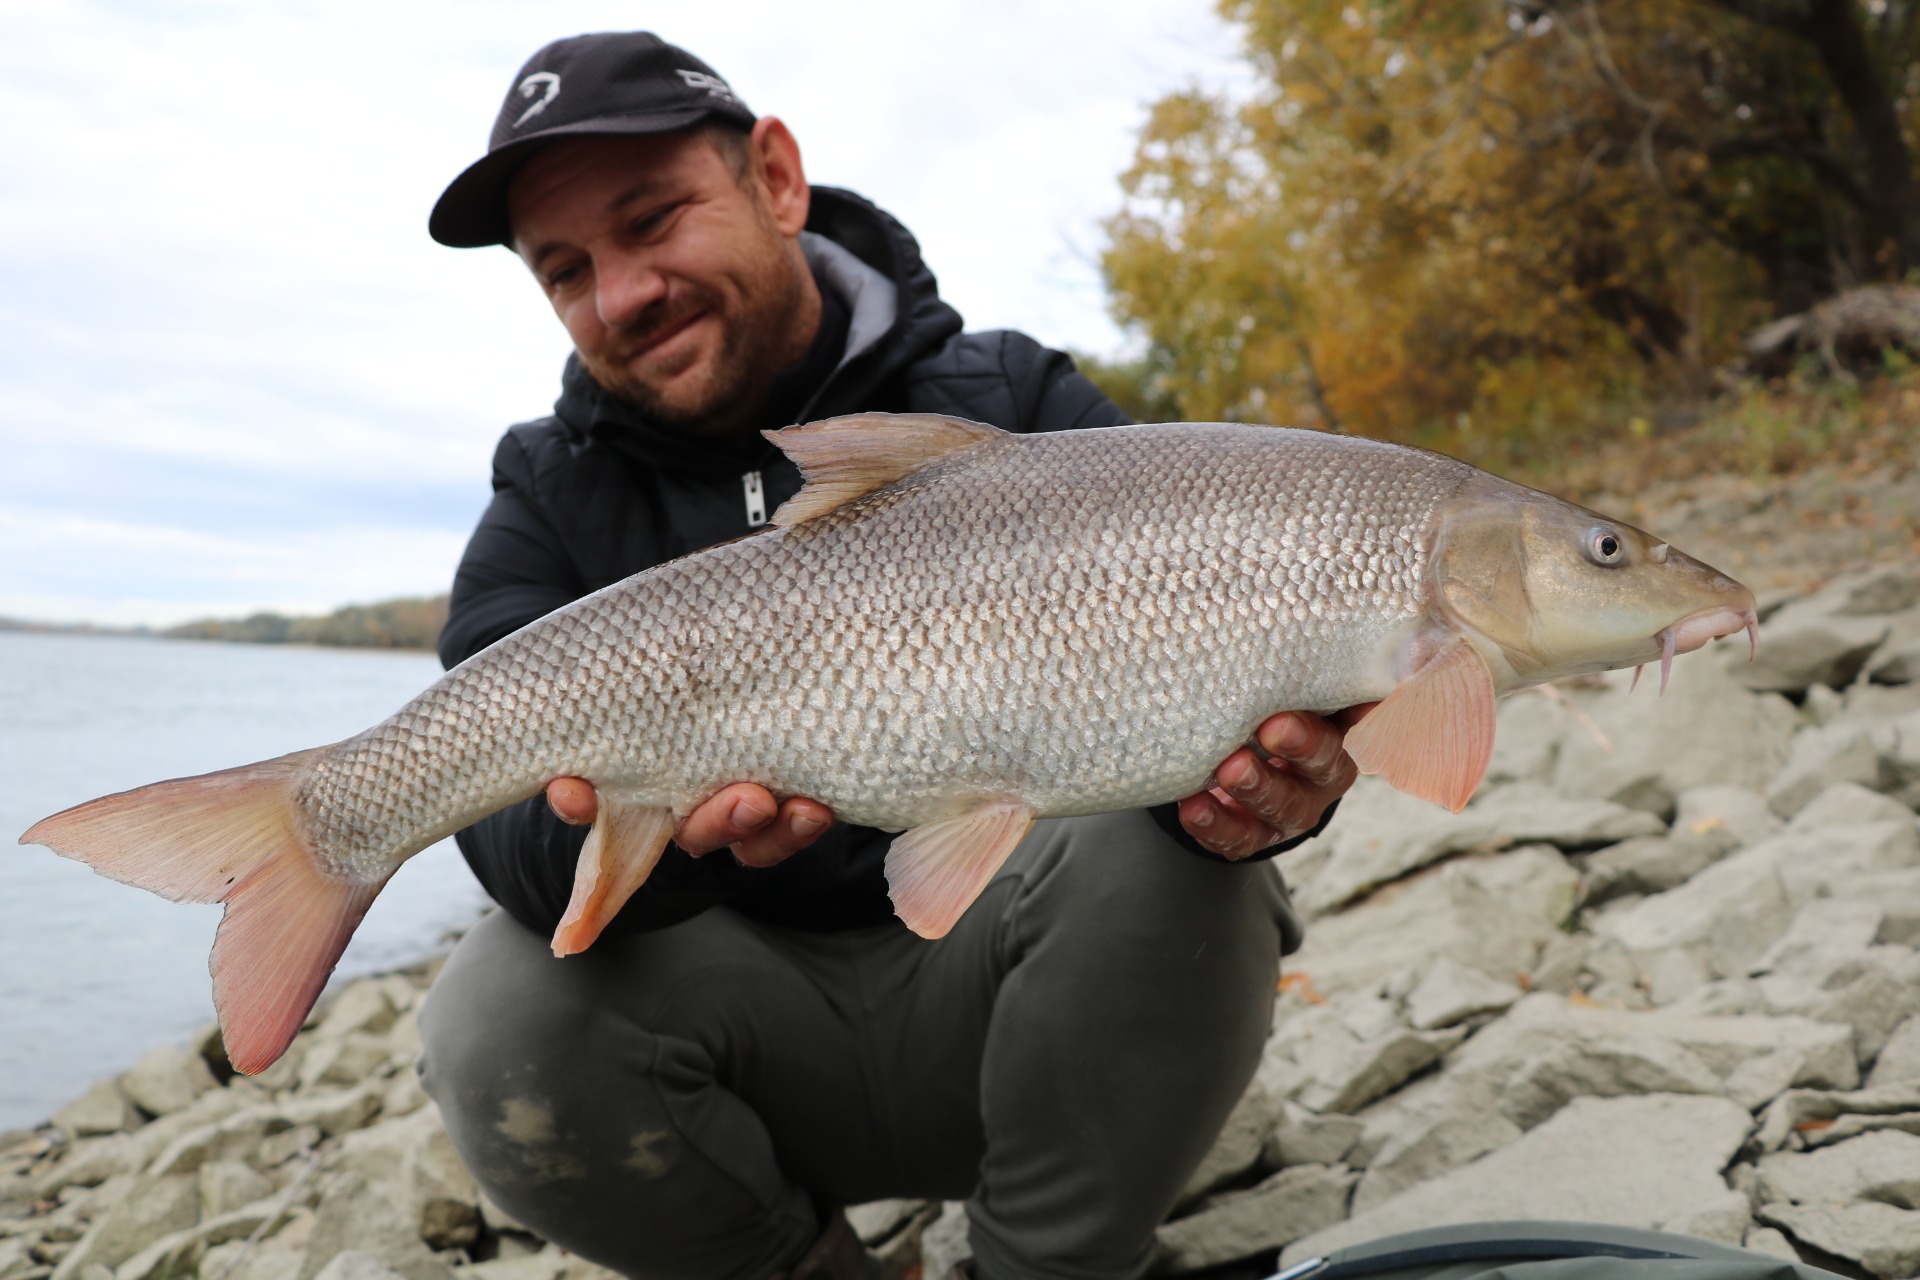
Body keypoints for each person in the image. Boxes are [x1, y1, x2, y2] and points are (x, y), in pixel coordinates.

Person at [414, 31, 1362, 1280]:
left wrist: (1256, 802)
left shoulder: (1017, 404)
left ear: (776, 178)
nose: (624, 289)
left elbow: (1247, 732)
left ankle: (1045, 1265)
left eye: (653, 220)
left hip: (1031, 1024)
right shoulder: (544, 491)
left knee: (1156, 854)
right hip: (749, 1052)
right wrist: (672, 838)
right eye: (566, 269)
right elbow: (509, 845)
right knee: (496, 1005)